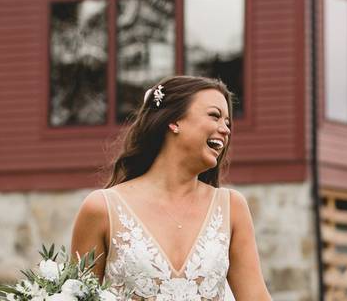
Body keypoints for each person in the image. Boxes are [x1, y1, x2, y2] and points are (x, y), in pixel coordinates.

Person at [70, 75, 271, 301]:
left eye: (228, 122)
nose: (226, 129)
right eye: (215, 116)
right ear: (174, 121)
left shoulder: (232, 208)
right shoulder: (101, 209)